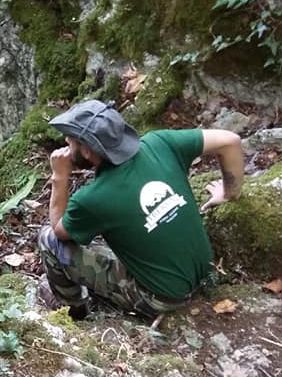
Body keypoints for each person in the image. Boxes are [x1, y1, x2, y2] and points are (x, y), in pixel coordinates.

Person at [37, 100, 244, 319]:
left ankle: (73, 311)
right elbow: (230, 141)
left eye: (71, 141)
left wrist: (59, 177)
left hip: (162, 297)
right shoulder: (160, 142)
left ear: (87, 151)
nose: (66, 142)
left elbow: (59, 230)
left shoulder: (92, 198)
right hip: (203, 269)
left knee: (48, 240)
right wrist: (230, 192)